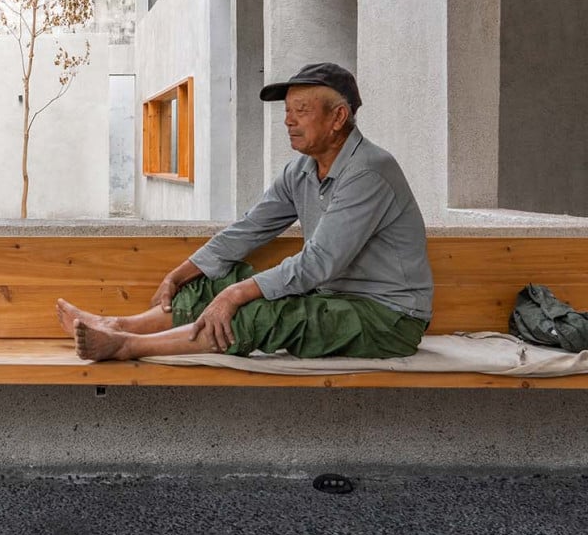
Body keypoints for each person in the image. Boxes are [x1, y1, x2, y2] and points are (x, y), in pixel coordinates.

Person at [57, 62, 434, 363]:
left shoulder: (369, 172)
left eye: (301, 111)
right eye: (287, 111)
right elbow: (249, 228)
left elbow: (318, 263)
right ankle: (117, 324)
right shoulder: (301, 170)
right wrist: (180, 273)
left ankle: (127, 346)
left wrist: (236, 295)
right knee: (219, 277)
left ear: (338, 118)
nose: (288, 120)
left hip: (386, 318)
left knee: (254, 309)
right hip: (329, 299)